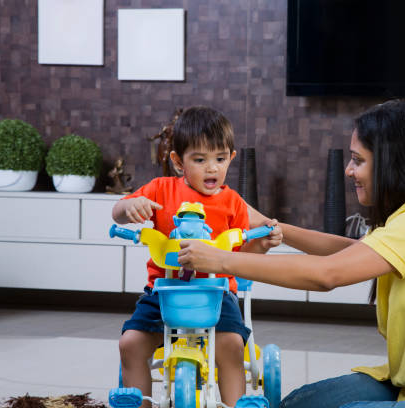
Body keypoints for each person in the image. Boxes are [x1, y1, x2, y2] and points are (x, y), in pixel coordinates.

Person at [177, 99, 405, 408]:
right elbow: (353, 251)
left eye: (358, 160)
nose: (349, 170)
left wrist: (219, 259)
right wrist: (277, 228)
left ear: (393, 163)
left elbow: (327, 274)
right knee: (299, 403)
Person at [112, 106, 281, 407]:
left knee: (231, 347)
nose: (212, 168)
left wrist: (263, 245)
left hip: (216, 293)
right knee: (130, 343)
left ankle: (235, 404)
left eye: (219, 159)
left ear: (231, 157)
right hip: (162, 292)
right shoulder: (161, 191)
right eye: (200, 160)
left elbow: (242, 253)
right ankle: (141, 402)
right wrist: (130, 206)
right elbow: (119, 212)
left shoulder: (233, 203)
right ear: (178, 162)